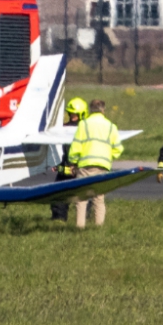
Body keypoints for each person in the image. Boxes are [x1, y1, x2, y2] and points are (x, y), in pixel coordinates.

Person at [67, 98, 123, 229]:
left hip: (85, 164)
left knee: (81, 198)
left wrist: (73, 162)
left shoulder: (84, 125)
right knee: (99, 198)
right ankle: (99, 228)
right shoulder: (111, 126)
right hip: (103, 165)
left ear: (90, 110)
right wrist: (108, 157)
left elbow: (76, 146)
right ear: (103, 110)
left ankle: (79, 227)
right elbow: (118, 148)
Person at [51, 98, 86, 221]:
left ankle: (85, 220)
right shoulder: (63, 127)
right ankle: (58, 219)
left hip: (80, 167)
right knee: (58, 194)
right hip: (66, 166)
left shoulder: (85, 129)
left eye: (75, 114)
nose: (72, 116)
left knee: (84, 197)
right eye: (71, 114)